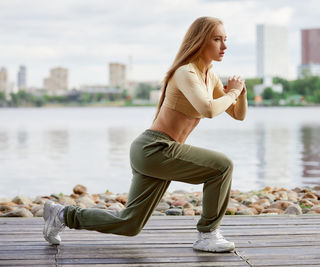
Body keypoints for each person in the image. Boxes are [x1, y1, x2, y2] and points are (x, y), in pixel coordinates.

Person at [43, 16, 247, 253]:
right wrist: (231, 93)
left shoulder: (209, 75)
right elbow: (208, 109)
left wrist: (240, 93)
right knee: (222, 166)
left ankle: (61, 214)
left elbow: (238, 115)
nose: (224, 46)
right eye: (217, 39)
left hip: (159, 152)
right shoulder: (185, 72)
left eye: (225, 39)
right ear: (201, 41)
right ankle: (208, 234)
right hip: (155, 149)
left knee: (129, 224)